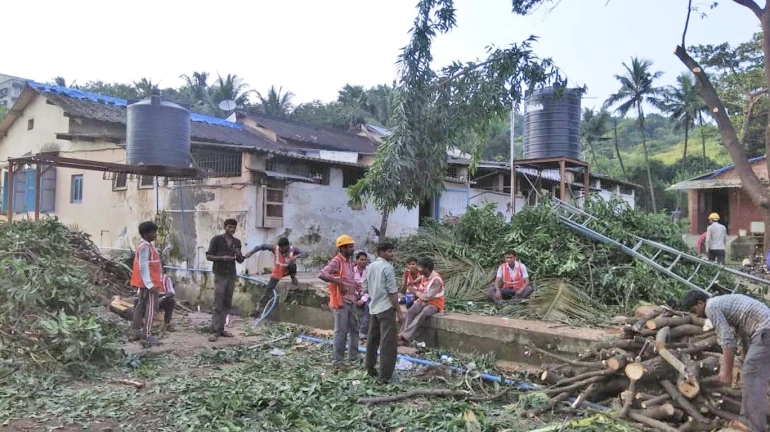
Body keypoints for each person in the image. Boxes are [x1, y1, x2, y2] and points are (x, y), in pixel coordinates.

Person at [682, 290, 770, 432]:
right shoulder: (723, 303)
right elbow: (741, 331)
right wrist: (743, 356)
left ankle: (754, 427)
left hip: (765, 331)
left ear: (700, 303)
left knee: (750, 375)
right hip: (764, 330)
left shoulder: (711, 307)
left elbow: (728, 342)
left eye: (694, 310)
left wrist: (726, 371)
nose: (696, 315)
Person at [363, 242, 405, 383]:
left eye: (392, 251)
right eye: (388, 251)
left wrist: (375, 295)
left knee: (372, 340)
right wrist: (399, 311)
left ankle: (370, 368)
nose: (391, 254)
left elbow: (365, 287)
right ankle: (385, 376)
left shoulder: (370, 267)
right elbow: (393, 292)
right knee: (388, 343)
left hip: (373, 308)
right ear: (381, 252)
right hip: (386, 309)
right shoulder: (388, 268)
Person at [318, 234, 359, 368]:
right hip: (342, 301)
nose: (353, 249)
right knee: (341, 332)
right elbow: (322, 274)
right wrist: (338, 282)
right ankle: (338, 361)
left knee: (354, 330)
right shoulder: (337, 261)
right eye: (350, 247)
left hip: (351, 300)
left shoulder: (349, 262)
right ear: (342, 248)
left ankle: (353, 355)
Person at [244, 238, 306, 318]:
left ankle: (293, 277)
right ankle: (257, 309)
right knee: (268, 288)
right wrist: (251, 252)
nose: (281, 250)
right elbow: (262, 246)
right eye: (280, 248)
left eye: (283, 248)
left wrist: (296, 257)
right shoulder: (275, 248)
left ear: (287, 246)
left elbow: (305, 254)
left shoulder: (293, 249)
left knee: (293, 265)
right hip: (278, 270)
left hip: (289, 269)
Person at [206, 219, 245, 342]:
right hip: (220, 274)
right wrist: (222, 258)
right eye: (229, 227)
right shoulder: (216, 239)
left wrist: (239, 255)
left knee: (227, 303)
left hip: (231, 275)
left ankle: (221, 329)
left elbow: (240, 260)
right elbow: (208, 256)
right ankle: (214, 331)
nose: (232, 230)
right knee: (218, 302)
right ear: (224, 227)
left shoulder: (237, 242)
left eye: (234, 227)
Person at [129, 221, 163, 347]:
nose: (155, 235)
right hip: (149, 284)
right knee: (151, 310)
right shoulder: (145, 247)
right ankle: (146, 335)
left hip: (143, 283)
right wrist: (150, 284)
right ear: (146, 234)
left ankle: (134, 332)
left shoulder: (144, 245)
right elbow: (143, 266)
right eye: (153, 233)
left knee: (140, 307)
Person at [398, 257, 444, 345]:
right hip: (422, 300)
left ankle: (405, 338)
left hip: (435, 303)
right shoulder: (424, 275)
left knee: (423, 314)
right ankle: (401, 335)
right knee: (411, 311)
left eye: (420, 267)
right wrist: (413, 282)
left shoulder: (436, 281)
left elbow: (427, 297)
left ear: (427, 268)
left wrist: (415, 291)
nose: (418, 269)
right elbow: (418, 279)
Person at [353, 251, 370, 341]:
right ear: (357, 260)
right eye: (361, 260)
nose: (363, 262)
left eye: (365, 260)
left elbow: (371, 287)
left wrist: (363, 299)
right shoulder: (352, 270)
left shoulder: (369, 271)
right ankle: (352, 330)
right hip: (354, 294)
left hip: (366, 295)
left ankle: (363, 331)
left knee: (369, 305)